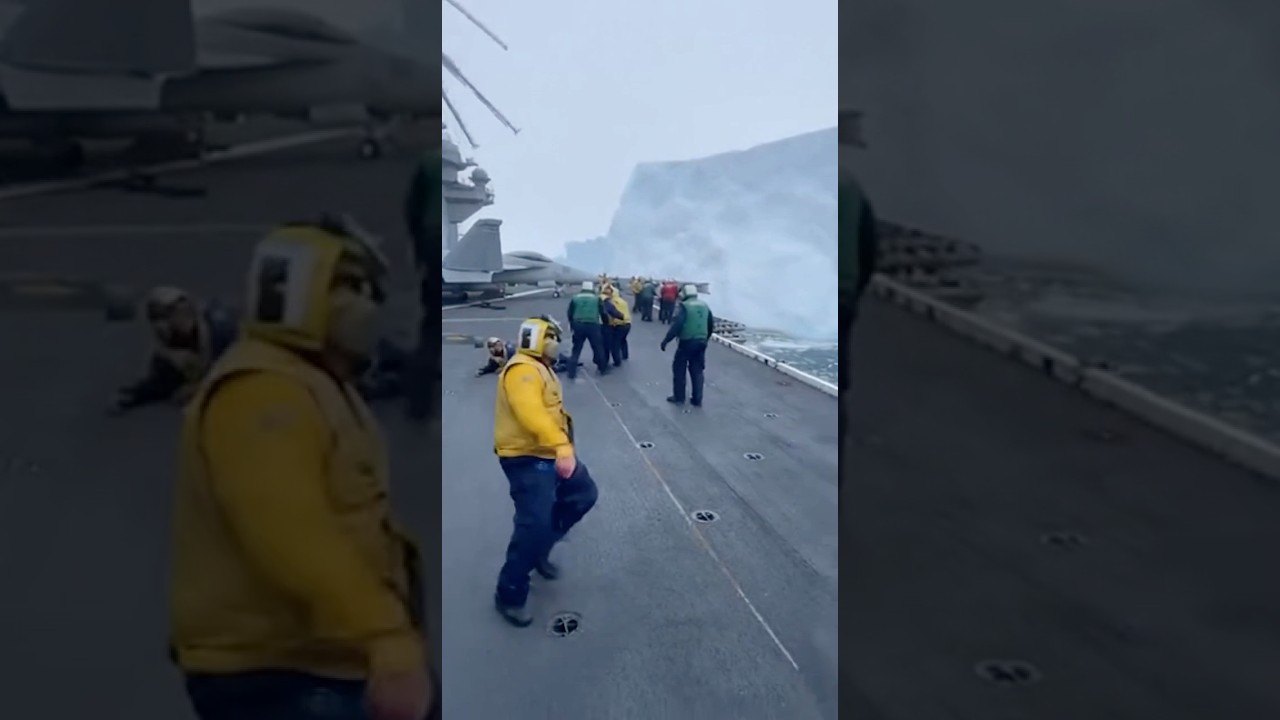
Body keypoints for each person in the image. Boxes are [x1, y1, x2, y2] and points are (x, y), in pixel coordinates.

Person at [169, 216, 436, 720]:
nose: (367, 307)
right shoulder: (264, 391)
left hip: (326, 658)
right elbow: (291, 533)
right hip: (283, 676)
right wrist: (384, 634)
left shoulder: (309, 380)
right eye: (350, 287)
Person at [492, 315, 599, 626]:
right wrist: (562, 446)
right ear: (541, 339)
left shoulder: (541, 367)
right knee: (533, 524)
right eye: (553, 338)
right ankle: (509, 593)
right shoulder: (523, 370)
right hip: (527, 459)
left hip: (549, 453)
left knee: (583, 494)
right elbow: (531, 413)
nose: (557, 344)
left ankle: (542, 548)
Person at [110, 286, 237, 415]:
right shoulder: (166, 355)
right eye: (177, 313)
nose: (184, 318)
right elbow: (160, 384)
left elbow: (233, 369)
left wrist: (199, 388)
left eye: (186, 311)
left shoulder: (219, 331)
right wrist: (133, 396)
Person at [403, 147, 441, 423]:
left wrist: (418, 253)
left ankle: (419, 403)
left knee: (430, 325)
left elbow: (411, 210)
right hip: (444, 243)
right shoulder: (449, 161)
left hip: (430, 242)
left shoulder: (428, 160)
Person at [661, 284, 715, 407]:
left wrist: (666, 340)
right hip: (701, 342)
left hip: (687, 342)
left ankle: (679, 397)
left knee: (679, 368)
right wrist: (705, 338)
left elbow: (677, 325)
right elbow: (710, 325)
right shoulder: (705, 306)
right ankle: (697, 398)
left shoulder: (685, 307)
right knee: (697, 370)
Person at [564, 280, 619, 378]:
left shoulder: (575, 298)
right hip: (593, 326)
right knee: (598, 348)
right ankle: (603, 369)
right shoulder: (596, 298)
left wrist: (572, 324)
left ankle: (571, 372)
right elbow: (603, 313)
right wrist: (606, 324)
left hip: (578, 325)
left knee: (576, 349)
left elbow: (570, 313)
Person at [478, 335, 577, 376]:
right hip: (527, 361)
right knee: (546, 368)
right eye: (495, 346)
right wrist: (482, 371)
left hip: (528, 356)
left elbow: (514, 363)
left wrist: (503, 369)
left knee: (549, 363)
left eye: (498, 344)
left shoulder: (510, 350)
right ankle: (567, 365)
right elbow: (491, 367)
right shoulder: (495, 357)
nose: (498, 347)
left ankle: (569, 363)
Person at [601, 284, 631, 366]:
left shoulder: (612, 302)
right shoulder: (623, 301)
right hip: (627, 323)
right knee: (623, 340)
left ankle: (617, 361)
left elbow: (613, 313)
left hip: (619, 324)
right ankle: (625, 355)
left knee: (615, 344)